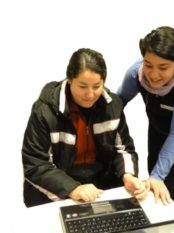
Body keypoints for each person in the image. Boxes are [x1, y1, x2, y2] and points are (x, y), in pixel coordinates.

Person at [22, 48, 148, 207]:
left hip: (99, 187)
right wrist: (72, 188)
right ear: (70, 80)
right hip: (55, 188)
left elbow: (124, 149)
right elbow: (36, 164)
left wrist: (128, 176)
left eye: (96, 86)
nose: (90, 94)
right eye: (82, 86)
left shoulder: (113, 106)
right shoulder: (44, 111)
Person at [117, 26, 174, 210]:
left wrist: (158, 176)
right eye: (149, 64)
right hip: (159, 128)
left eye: (163, 67)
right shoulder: (136, 72)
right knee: (152, 182)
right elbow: (117, 102)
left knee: (170, 188)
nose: (153, 74)